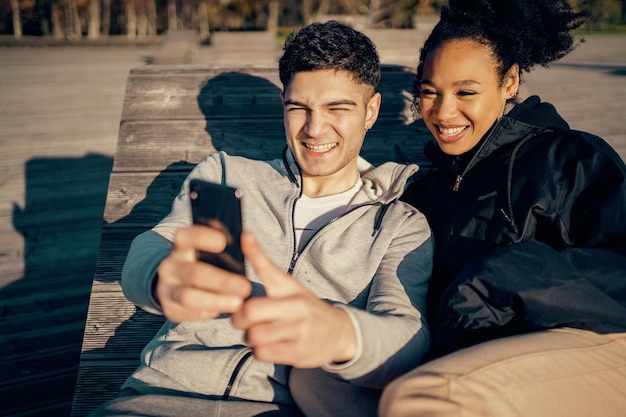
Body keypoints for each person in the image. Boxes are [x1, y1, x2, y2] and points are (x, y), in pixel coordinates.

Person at [89, 20, 433, 417]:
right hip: (158, 396)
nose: (315, 129)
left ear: (371, 110)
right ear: (283, 103)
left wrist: (340, 332)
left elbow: (407, 335)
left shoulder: (398, 223)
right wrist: (161, 276)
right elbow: (156, 242)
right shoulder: (226, 175)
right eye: (298, 108)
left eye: (338, 108)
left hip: (279, 408)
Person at [379, 0, 626, 416]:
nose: (442, 112)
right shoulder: (426, 191)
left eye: (466, 92)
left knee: (424, 398)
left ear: (509, 81)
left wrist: (496, 284)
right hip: (472, 360)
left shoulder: (570, 159)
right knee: (318, 381)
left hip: (593, 338)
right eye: (429, 92)